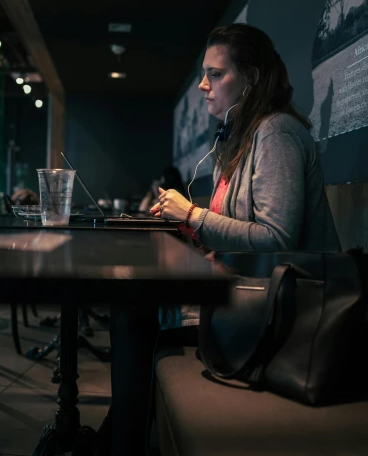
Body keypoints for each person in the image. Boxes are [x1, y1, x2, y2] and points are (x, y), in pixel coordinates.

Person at [107, 24, 341, 455]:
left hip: (290, 312)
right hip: (254, 300)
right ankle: (121, 440)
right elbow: (233, 233)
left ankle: (121, 443)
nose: (202, 85)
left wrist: (194, 215)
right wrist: (192, 229)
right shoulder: (237, 142)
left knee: (135, 322)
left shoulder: (277, 133)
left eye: (215, 74)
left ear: (250, 77)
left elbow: (277, 236)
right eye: (204, 74)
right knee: (135, 316)